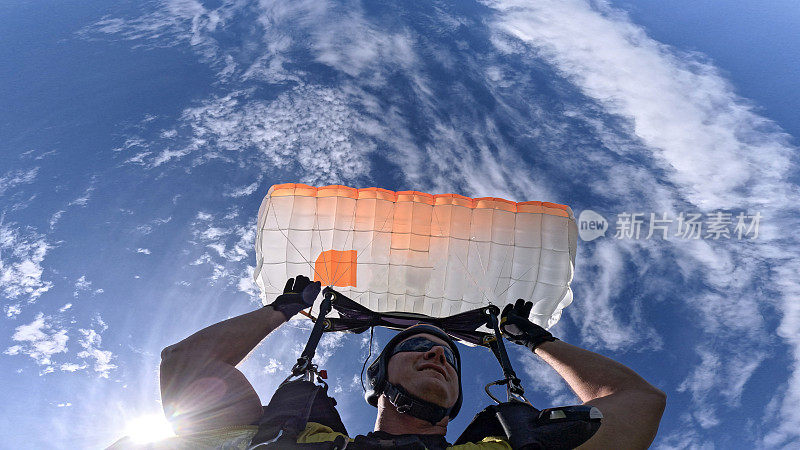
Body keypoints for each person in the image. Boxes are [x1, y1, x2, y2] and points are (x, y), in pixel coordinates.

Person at [148, 276, 665, 448]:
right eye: (416, 347)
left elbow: (640, 404)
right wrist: (285, 310)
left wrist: (532, 339)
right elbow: (189, 364)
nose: (439, 351)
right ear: (377, 379)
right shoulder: (285, 437)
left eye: (450, 357)